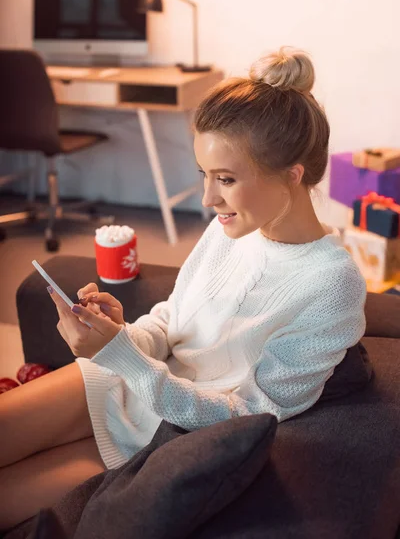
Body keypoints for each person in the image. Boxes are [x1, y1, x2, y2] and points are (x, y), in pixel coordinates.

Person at [0, 47, 367, 531]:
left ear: (293, 176)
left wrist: (120, 355)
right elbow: (174, 319)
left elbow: (250, 415)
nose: (208, 198)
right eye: (205, 175)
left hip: (165, 429)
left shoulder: (331, 284)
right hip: (123, 380)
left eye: (226, 179)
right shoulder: (230, 227)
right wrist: (120, 334)